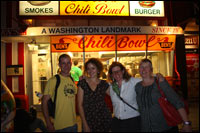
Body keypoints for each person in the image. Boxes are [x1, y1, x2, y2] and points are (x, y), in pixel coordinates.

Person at [135, 58, 192, 132]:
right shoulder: (138, 86)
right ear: (139, 70)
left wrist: (186, 123)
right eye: (141, 67)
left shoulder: (160, 82)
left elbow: (177, 101)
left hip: (165, 127)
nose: (144, 69)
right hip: (146, 128)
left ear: (151, 69)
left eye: (147, 67)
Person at [42, 54, 78, 132]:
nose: (66, 65)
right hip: (59, 126)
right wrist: (48, 123)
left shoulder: (72, 80)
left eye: (68, 63)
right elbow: (44, 102)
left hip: (74, 123)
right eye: (63, 63)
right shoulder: (53, 80)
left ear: (71, 64)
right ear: (59, 65)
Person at [77, 58, 112, 132]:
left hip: (104, 119)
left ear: (98, 70)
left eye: (93, 68)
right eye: (88, 69)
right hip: (88, 120)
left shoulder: (103, 84)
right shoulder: (82, 84)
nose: (90, 71)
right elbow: (79, 105)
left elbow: (115, 97)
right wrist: (84, 123)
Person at [107, 61, 142, 132]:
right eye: (113, 72)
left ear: (123, 71)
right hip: (117, 121)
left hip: (132, 121)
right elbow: (96, 83)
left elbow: (147, 79)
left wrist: (157, 76)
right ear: (111, 75)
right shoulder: (111, 86)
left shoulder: (133, 82)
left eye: (118, 71)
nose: (116, 74)